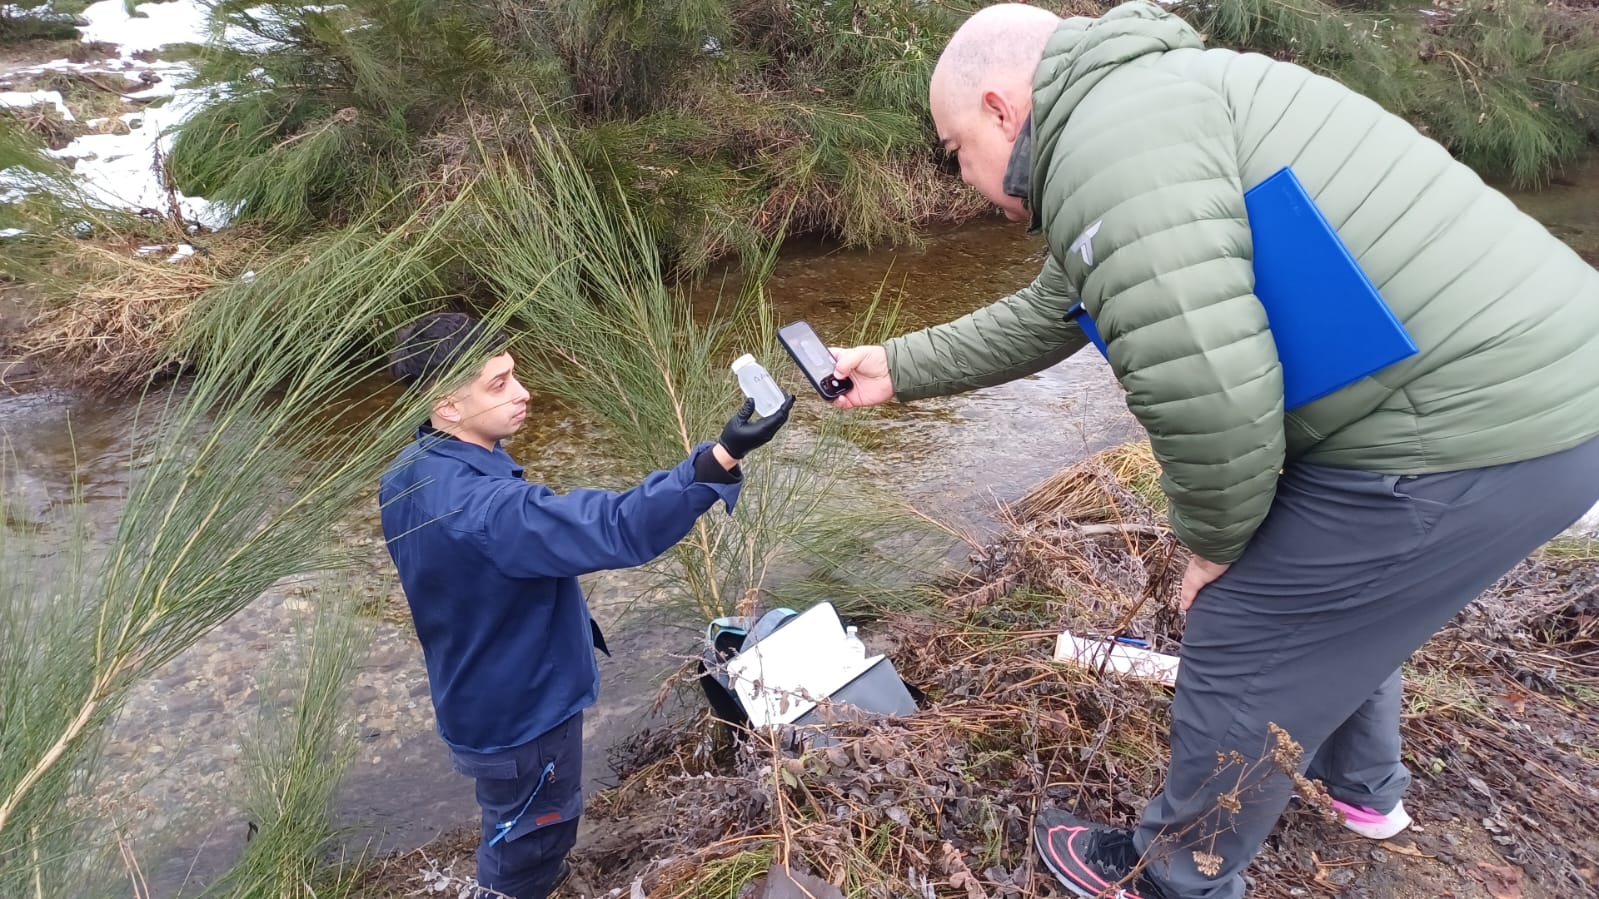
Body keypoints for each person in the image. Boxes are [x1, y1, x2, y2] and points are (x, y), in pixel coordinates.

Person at [826, 3, 1599, 898]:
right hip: (1542, 393)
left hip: (1466, 428)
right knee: (1340, 597)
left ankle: (1175, 877)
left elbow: (1211, 390)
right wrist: (899, 365)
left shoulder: (1107, 152)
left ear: (1001, 110)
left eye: (954, 150)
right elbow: (1056, 307)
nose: (961, 177)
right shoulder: (1142, 108)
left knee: (1243, 625)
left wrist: (1213, 545)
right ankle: (1363, 793)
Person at [378, 312, 792, 899]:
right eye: (497, 385)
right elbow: (614, 526)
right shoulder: (486, 511)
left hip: (473, 694)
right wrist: (719, 458)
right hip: (525, 717)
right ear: (446, 407)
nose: (522, 394)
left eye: (513, 375)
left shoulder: (407, 472)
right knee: (530, 844)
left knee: (511, 824)